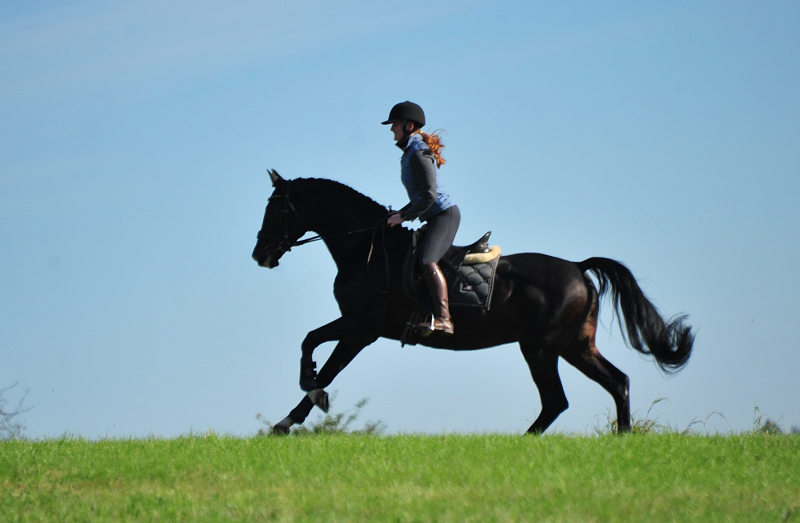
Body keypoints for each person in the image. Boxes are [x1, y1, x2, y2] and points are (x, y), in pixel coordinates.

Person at [383, 101, 460, 336]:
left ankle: (444, 319)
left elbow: (429, 194)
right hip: (432, 216)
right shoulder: (409, 152)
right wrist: (400, 212)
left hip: (444, 215)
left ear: (409, 126)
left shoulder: (418, 152)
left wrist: (404, 216)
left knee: (427, 261)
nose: (392, 129)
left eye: (395, 124)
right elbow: (420, 196)